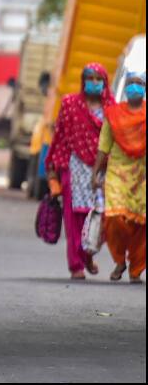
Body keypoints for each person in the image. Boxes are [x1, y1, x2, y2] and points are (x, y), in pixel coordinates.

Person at [45, 63, 115, 280]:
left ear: (104, 82)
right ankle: (76, 264)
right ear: (83, 81)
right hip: (73, 167)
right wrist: (54, 169)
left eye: (98, 78)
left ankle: (87, 256)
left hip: (103, 168)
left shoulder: (112, 109)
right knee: (74, 216)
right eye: (89, 78)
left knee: (100, 216)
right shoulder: (70, 104)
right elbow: (61, 137)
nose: (94, 82)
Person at [92, 71, 146, 284]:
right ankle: (119, 259)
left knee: (141, 225)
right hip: (117, 173)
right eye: (131, 83)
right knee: (114, 218)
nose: (134, 87)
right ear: (125, 87)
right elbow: (103, 146)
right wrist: (96, 172)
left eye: (139, 83)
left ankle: (136, 268)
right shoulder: (113, 115)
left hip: (142, 176)